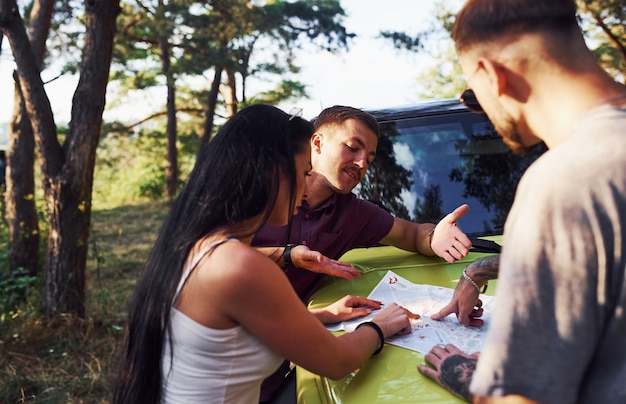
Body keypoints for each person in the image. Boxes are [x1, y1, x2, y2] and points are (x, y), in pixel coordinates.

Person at [112, 104, 415, 404]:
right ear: (271, 173)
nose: (305, 189)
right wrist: (381, 326)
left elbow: (227, 332)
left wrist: (320, 315)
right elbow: (335, 362)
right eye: (302, 172)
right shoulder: (241, 266)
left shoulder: (197, 246)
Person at [418, 0, 626, 402]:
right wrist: (477, 270)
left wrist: (466, 376)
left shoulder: (566, 179)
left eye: (470, 93)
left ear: (490, 74)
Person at [252, 105, 473, 402]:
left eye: (369, 159)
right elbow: (202, 258)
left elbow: (412, 233)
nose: (361, 164)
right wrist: (287, 255)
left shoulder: (353, 212)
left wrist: (434, 237)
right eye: (353, 147)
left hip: (273, 372)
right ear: (316, 143)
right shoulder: (255, 194)